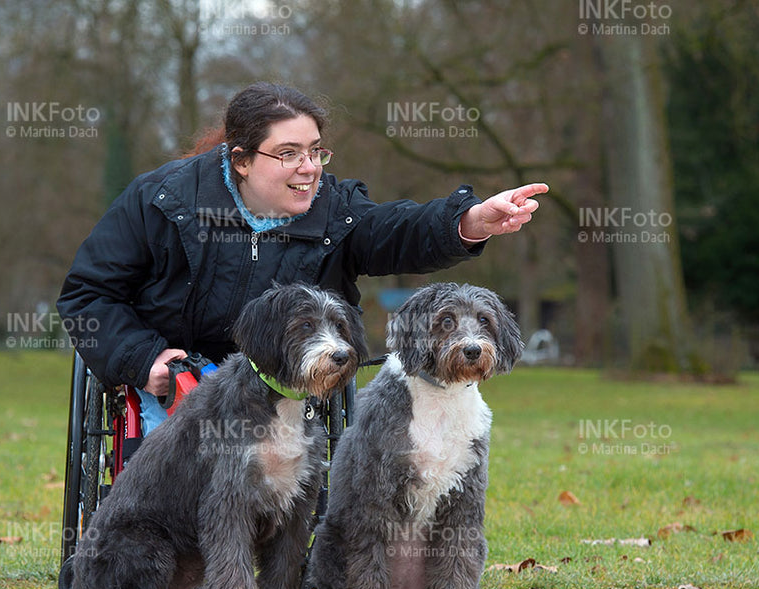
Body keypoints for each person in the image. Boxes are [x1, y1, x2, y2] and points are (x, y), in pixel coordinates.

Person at [57, 82, 547, 433]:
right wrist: (144, 360)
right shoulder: (161, 201)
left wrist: (470, 222)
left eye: (315, 151)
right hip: (180, 377)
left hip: (293, 379)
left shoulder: (336, 211)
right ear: (241, 160)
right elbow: (88, 294)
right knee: (175, 486)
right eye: (288, 153)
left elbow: (397, 230)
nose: (308, 168)